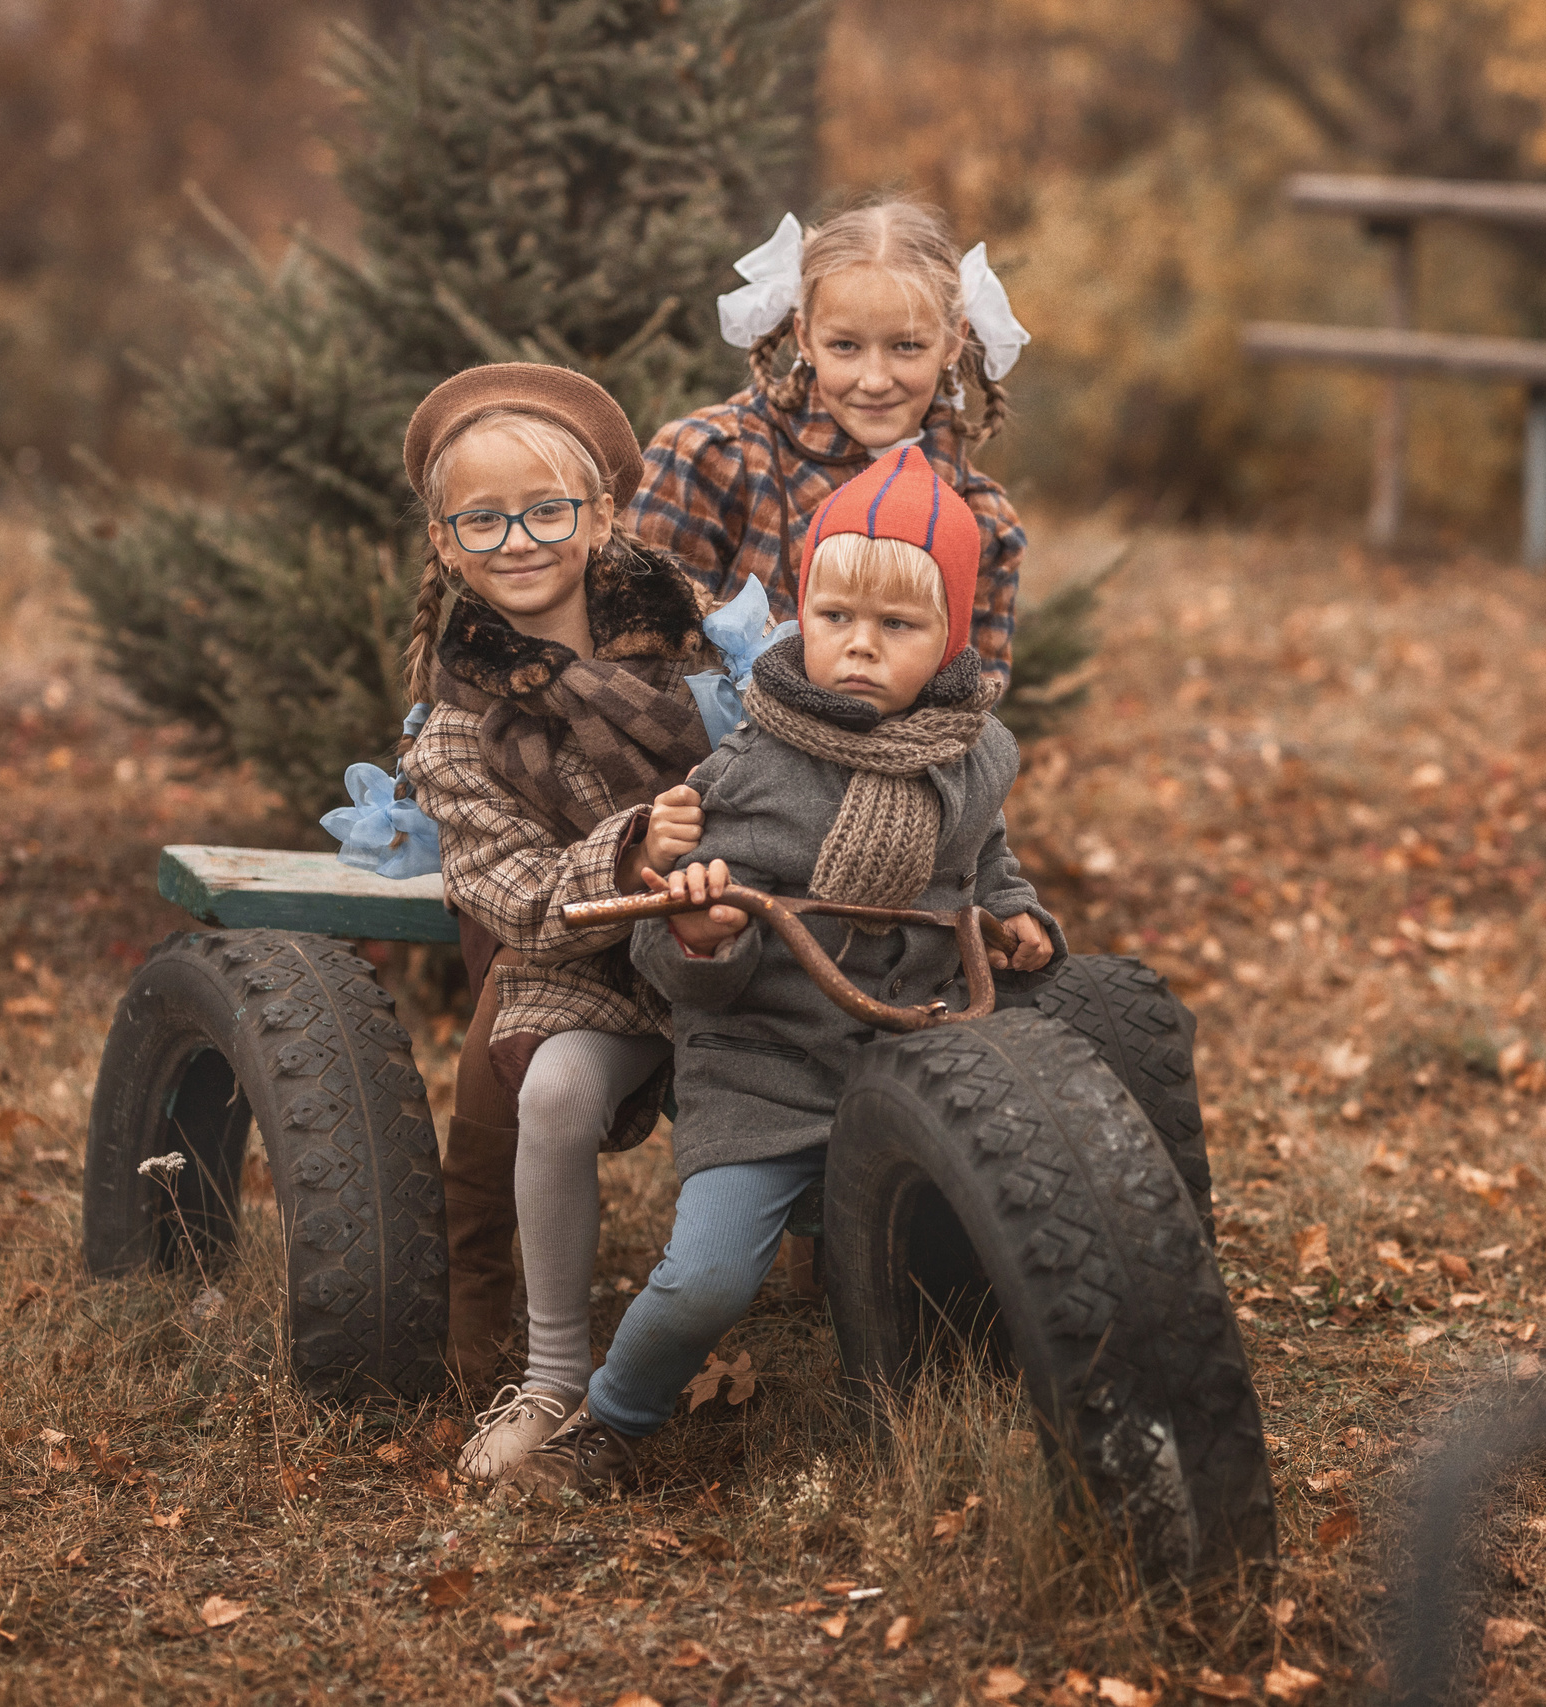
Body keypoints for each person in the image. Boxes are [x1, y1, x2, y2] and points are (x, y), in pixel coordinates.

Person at [501, 449, 1061, 1499]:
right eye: (837, 614)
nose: (859, 645)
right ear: (803, 610)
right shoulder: (750, 767)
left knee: (986, 1249)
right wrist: (706, 933)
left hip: (917, 1057)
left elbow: (984, 862)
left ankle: (949, 1404)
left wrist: (1020, 920)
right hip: (768, 1069)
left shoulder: (974, 755)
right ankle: (608, 1421)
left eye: (896, 627)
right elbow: (667, 961)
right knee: (703, 1282)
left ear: (951, 636)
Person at [395, 363, 715, 1482]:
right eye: (482, 518)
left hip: (737, 930)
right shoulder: (453, 731)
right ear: (444, 542)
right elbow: (522, 900)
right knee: (556, 1091)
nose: (518, 538)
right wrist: (631, 850)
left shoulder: (702, 646)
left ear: (603, 515)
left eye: (546, 509)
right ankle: (552, 1375)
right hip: (589, 957)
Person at [629, 197, 1031, 696]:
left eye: (906, 346)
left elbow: (969, 717)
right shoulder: (709, 458)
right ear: (805, 337)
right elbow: (640, 665)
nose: (875, 379)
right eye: (846, 345)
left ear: (953, 342)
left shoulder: (983, 519)